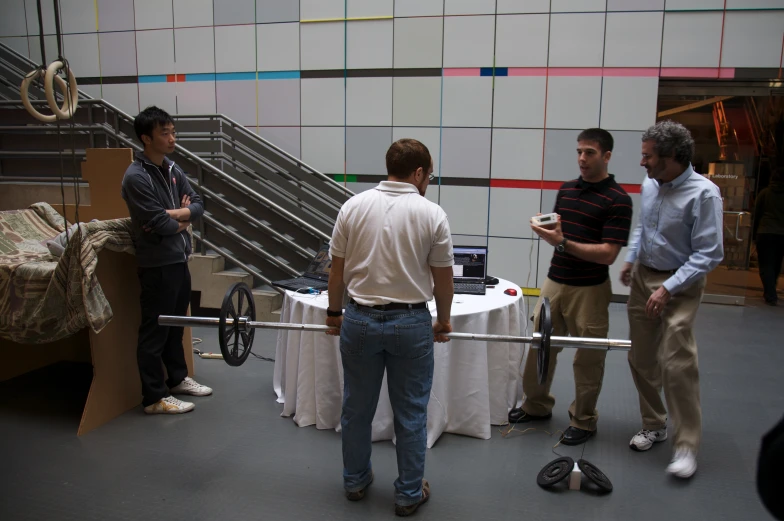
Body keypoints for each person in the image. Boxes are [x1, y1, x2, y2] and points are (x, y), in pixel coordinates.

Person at [324, 138, 454, 516]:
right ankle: (409, 493)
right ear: (418, 172)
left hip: (359, 320)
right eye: (429, 173)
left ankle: (355, 481)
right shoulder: (432, 214)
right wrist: (442, 320)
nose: (429, 179)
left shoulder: (353, 206)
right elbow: (443, 280)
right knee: (411, 414)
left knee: (356, 409)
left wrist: (334, 315)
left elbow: (336, 271)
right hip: (411, 323)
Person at [507, 128, 633, 446]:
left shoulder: (618, 200)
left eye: (589, 152)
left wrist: (562, 242)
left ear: (606, 156)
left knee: (588, 356)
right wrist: (548, 229)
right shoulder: (566, 190)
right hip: (555, 281)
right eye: (579, 151)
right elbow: (560, 233)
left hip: (590, 289)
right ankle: (536, 406)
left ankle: (584, 420)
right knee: (541, 346)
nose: (581, 158)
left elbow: (608, 253)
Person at [620, 120, 724, 479]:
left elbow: (709, 254)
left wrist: (668, 288)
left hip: (681, 283)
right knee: (642, 357)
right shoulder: (650, 184)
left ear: (672, 157)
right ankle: (654, 424)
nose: (642, 163)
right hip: (643, 276)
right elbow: (643, 226)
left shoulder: (704, 194)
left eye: (648, 156)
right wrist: (632, 257)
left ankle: (686, 446)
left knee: (677, 361)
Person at [121, 106, 213, 415]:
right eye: (165, 133)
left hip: (178, 258)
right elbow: (159, 225)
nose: (172, 138)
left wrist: (176, 215)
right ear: (146, 138)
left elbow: (199, 205)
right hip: (156, 264)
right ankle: (153, 398)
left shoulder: (173, 169)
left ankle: (177, 379)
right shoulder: (136, 177)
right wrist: (179, 218)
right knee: (155, 330)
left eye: (173, 131)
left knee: (177, 326)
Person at [753, 167, 784, 306]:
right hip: (782, 234)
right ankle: (772, 288)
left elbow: (756, 214)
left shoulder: (765, 193)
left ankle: (770, 293)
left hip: (765, 232)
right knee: (777, 263)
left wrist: (754, 234)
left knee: (766, 263)